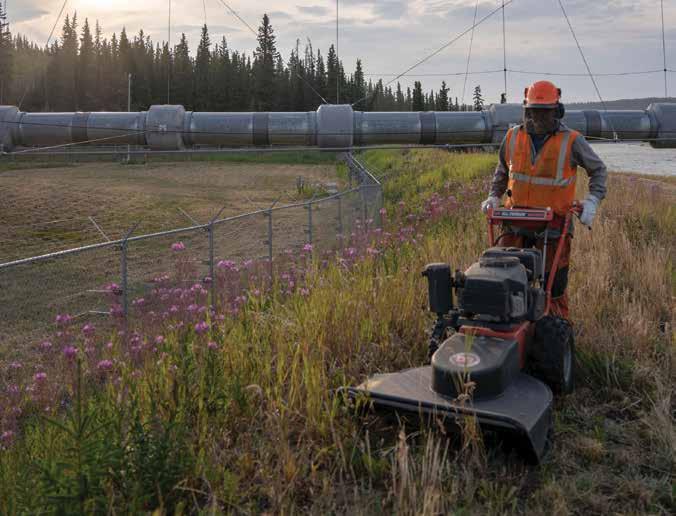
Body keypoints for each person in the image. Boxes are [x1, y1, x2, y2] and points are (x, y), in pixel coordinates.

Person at [480, 80, 608, 319]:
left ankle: (558, 330)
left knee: (553, 285)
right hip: (514, 219)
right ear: (525, 110)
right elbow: (502, 171)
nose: (537, 117)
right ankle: (505, 322)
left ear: (557, 111)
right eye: (532, 111)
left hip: (554, 224)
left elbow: (598, 170)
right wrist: (494, 196)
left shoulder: (572, 141)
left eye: (543, 112)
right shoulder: (512, 137)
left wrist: (592, 201)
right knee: (501, 273)